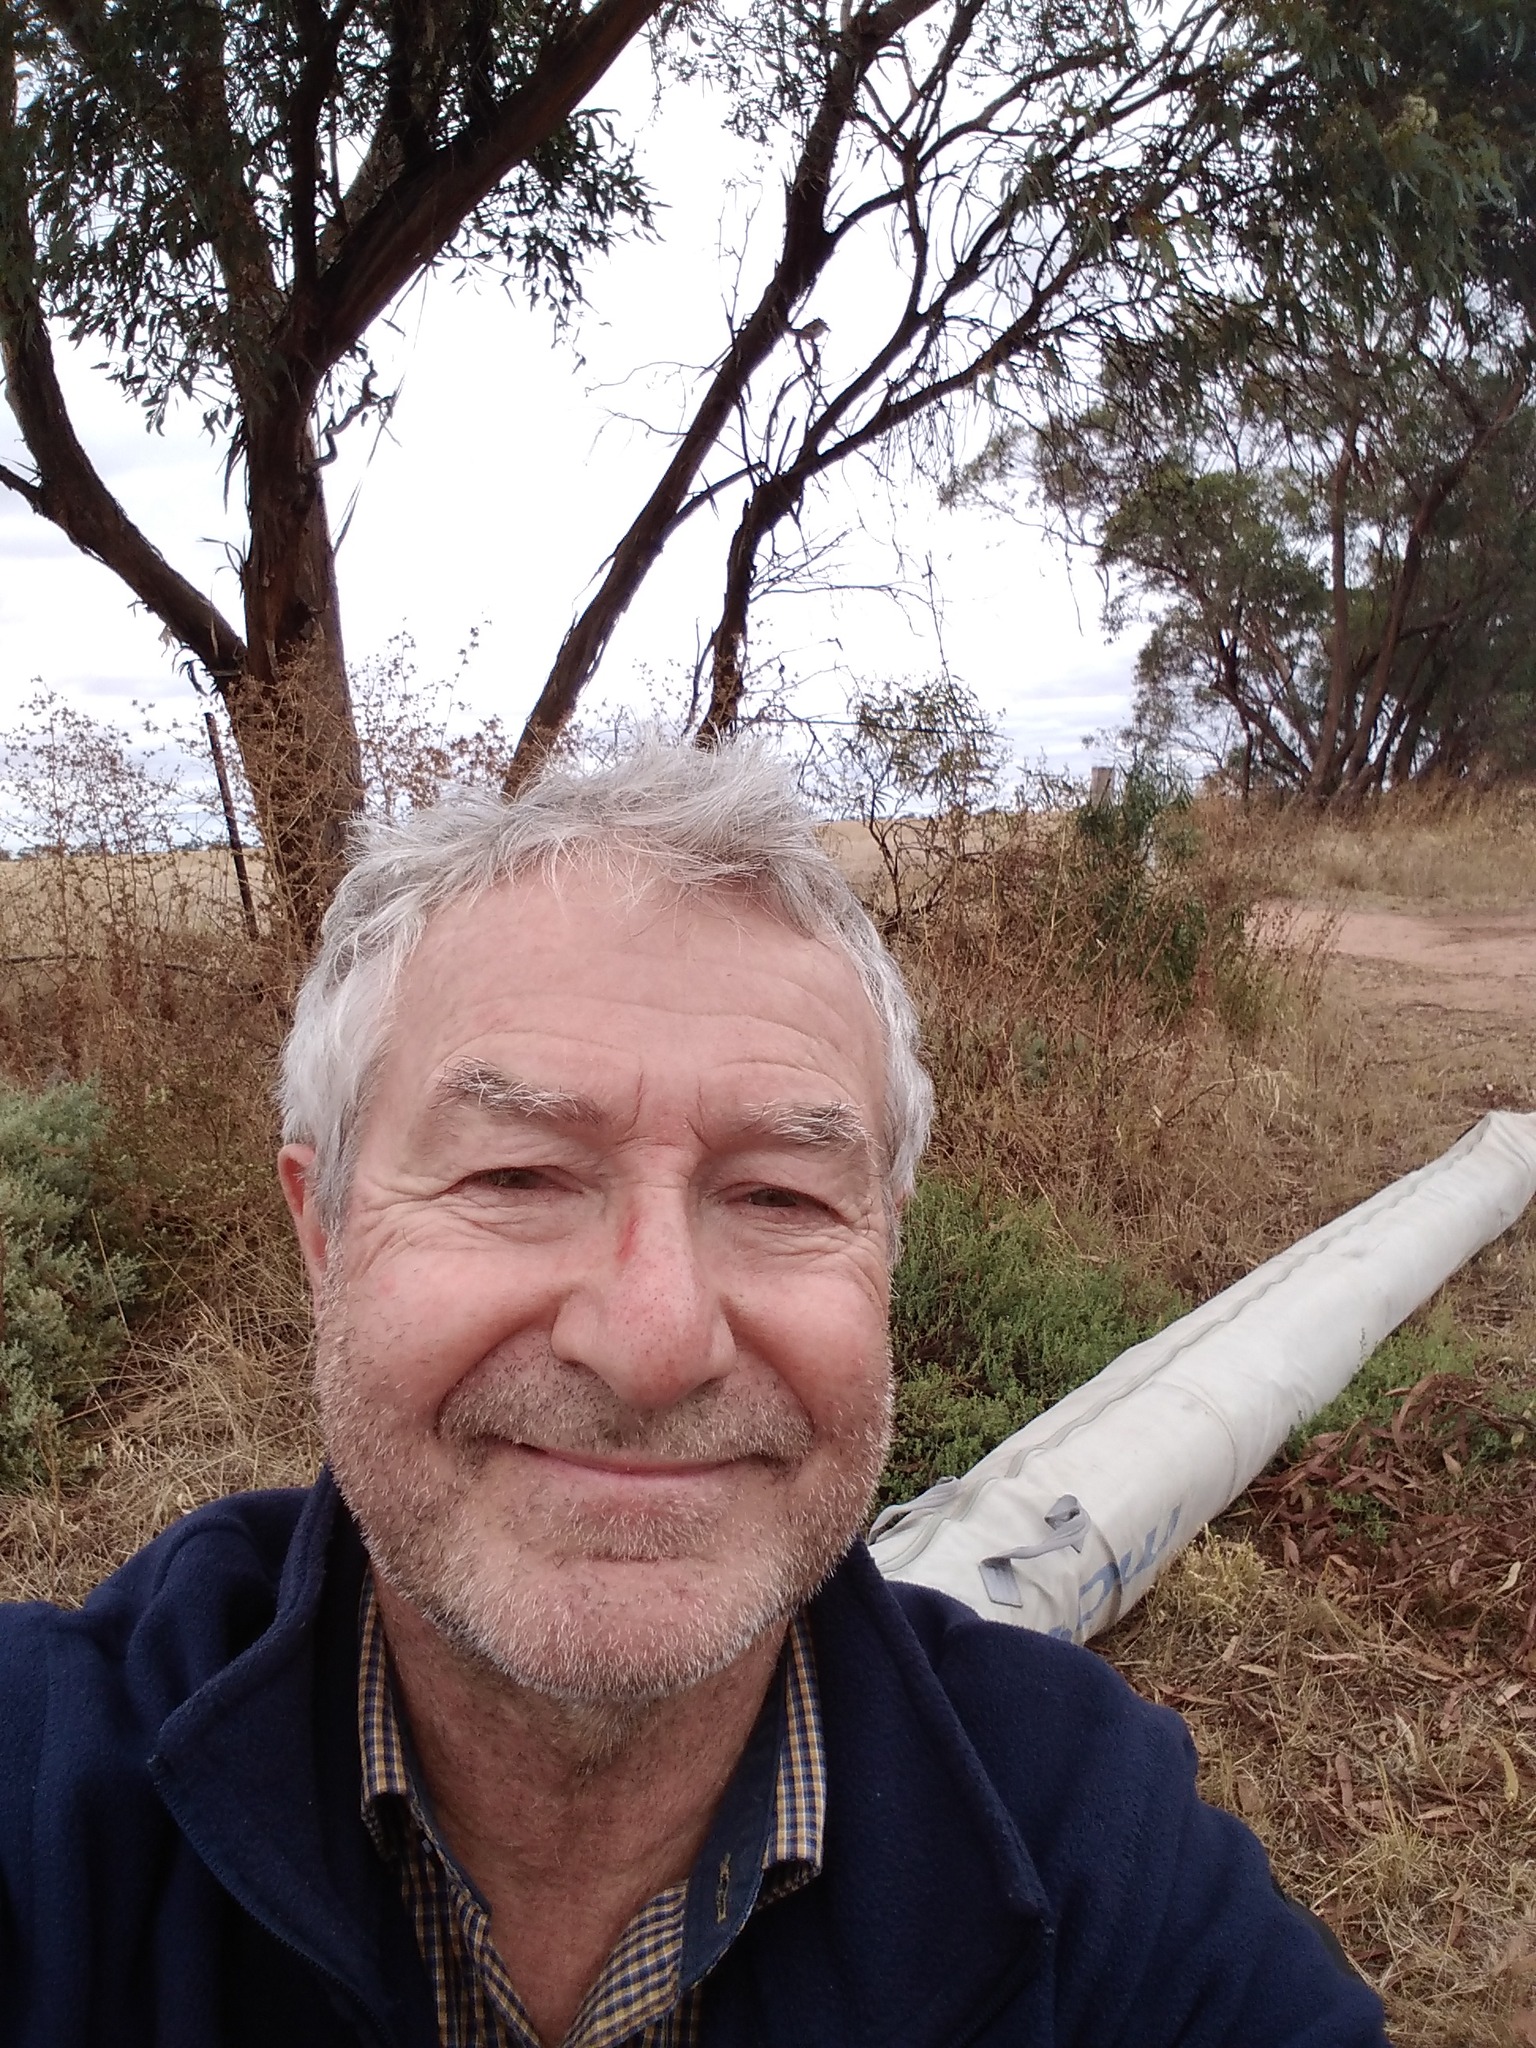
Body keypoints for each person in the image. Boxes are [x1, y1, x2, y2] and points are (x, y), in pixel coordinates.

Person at [0, 742, 1388, 2048]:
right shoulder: (40, 1801)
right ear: (325, 1231)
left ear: (885, 1256)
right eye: (515, 1176)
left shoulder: (1099, 1854)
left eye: (779, 1196)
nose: (656, 1340)